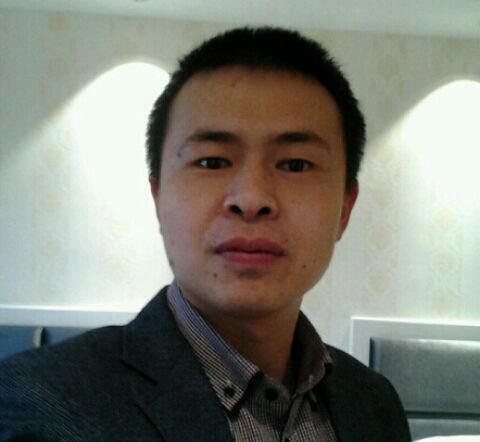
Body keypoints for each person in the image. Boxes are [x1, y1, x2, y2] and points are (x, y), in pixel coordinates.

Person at [0, 27, 411, 441]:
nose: (251, 199)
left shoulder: (375, 403)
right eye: (212, 162)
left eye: (295, 165)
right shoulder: (38, 404)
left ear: (345, 208)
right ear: (158, 197)